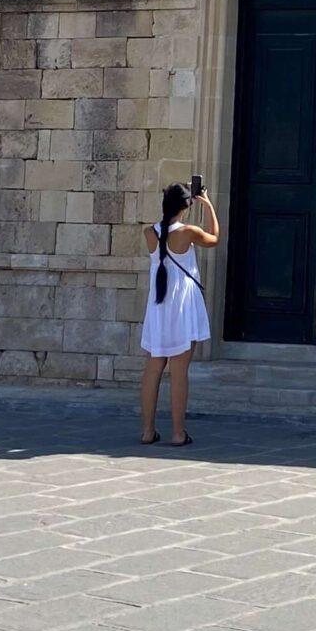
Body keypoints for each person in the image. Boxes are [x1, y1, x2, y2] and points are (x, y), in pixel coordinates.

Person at [139, 180, 218, 446]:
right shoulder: (188, 232)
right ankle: (177, 432)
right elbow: (215, 238)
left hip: (159, 306)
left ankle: (148, 430)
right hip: (182, 305)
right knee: (179, 370)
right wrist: (207, 205)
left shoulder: (150, 233)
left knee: (153, 368)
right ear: (185, 206)